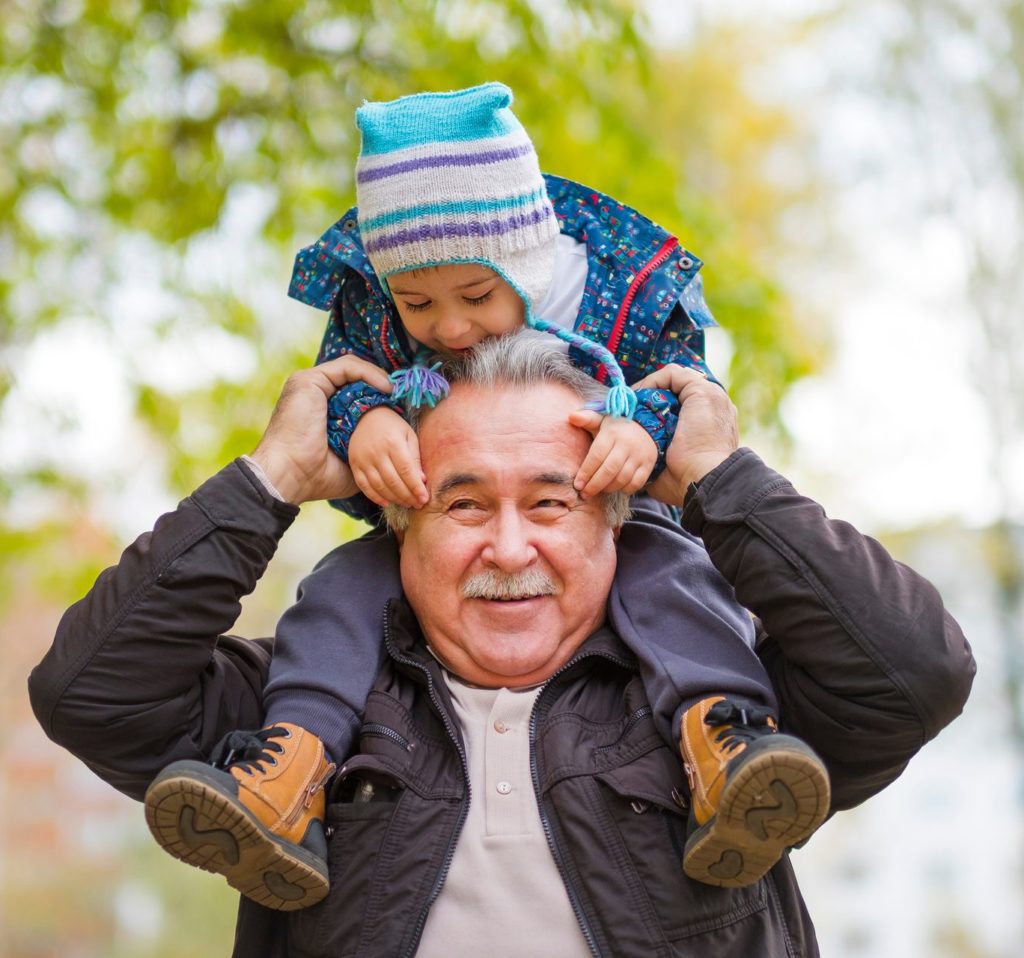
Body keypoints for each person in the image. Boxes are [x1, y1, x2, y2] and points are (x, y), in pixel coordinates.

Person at [29, 336, 973, 957]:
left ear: (619, 525)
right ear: (400, 529)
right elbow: (89, 694)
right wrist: (270, 480)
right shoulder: (300, 707)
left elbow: (915, 672)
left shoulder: (727, 711)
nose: (510, 547)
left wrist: (720, 480)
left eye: (553, 503)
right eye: (464, 503)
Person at [133, 81, 833, 909]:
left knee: (672, 575)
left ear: (525, 260)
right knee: (338, 591)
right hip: (425, 517)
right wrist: (363, 424)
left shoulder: (609, 287)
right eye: (417, 303)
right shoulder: (376, 309)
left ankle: (723, 744)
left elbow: (684, 385)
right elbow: (349, 381)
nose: (451, 328)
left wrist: (640, 426)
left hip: (611, 505)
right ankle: (287, 772)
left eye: (477, 297)